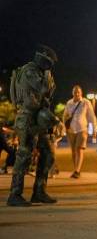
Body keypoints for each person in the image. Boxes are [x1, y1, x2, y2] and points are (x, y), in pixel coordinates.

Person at [7, 45, 60, 206]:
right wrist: (47, 76)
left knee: (48, 154)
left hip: (38, 118)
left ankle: (39, 192)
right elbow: (44, 88)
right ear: (43, 58)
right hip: (27, 118)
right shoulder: (29, 71)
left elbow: (50, 93)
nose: (50, 66)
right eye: (49, 62)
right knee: (24, 156)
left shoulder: (41, 72)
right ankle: (15, 195)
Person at [63, 85, 97, 178]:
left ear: (81, 93)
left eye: (78, 92)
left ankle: (77, 170)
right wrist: (64, 128)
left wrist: (94, 129)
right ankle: (76, 169)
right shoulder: (69, 103)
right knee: (73, 151)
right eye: (75, 92)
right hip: (71, 130)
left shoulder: (86, 102)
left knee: (79, 149)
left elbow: (91, 116)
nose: (77, 94)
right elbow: (65, 116)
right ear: (72, 93)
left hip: (82, 129)